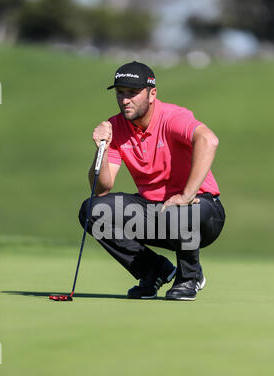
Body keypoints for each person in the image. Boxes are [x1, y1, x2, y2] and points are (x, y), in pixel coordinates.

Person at [79, 61, 225, 300]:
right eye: (120, 93)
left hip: (202, 212)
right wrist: (101, 149)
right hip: (157, 214)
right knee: (93, 209)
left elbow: (209, 140)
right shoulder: (115, 126)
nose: (125, 100)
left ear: (152, 94)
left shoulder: (172, 116)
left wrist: (187, 195)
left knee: (178, 212)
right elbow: (102, 187)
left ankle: (190, 277)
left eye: (133, 93)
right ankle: (154, 271)